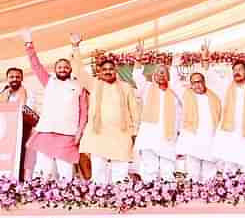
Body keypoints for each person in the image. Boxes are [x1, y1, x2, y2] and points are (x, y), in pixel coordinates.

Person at [71, 35, 139, 185]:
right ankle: (100, 200)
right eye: (105, 69)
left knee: (120, 172)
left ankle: (121, 201)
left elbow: (135, 112)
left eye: (111, 69)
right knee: (98, 171)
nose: (108, 72)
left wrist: (134, 133)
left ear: (116, 70)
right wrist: (75, 47)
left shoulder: (126, 87)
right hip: (98, 133)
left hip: (121, 134)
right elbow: (78, 71)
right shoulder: (94, 85)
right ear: (100, 71)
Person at [21, 29, 88, 181]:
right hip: (46, 131)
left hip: (68, 134)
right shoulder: (49, 81)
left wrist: (80, 132)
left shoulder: (79, 85)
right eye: (60, 67)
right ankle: (40, 198)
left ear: (70, 69)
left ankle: (65, 198)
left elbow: (84, 112)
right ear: (55, 69)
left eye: (66, 67)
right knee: (44, 170)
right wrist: (29, 44)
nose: (63, 69)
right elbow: (36, 65)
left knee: (66, 172)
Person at [132, 48, 181, 182]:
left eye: (164, 73)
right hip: (149, 135)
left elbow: (176, 83)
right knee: (150, 168)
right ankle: (150, 192)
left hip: (168, 135)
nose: (161, 75)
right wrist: (138, 60)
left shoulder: (176, 92)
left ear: (168, 76)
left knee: (168, 168)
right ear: (153, 75)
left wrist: (175, 66)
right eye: (158, 73)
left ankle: (167, 194)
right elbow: (137, 77)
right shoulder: (147, 88)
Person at [175, 71, 222, 181]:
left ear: (204, 82)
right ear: (190, 85)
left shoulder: (214, 97)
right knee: (192, 172)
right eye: (194, 83)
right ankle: (193, 195)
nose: (197, 85)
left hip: (210, 139)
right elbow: (173, 83)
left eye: (199, 82)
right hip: (193, 138)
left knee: (209, 173)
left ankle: (209, 194)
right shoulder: (186, 94)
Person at [212, 61, 245, 172]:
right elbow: (210, 80)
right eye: (235, 70)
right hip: (229, 132)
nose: (237, 72)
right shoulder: (225, 86)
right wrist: (205, 61)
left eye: (240, 70)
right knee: (229, 165)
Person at [1, 67, 37, 181]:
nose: (14, 79)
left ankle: (19, 182)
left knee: (20, 157)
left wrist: (20, 103)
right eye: (12, 77)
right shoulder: (3, 92)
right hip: (5, 133)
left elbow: (28, 110)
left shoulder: (28, 92)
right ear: (7, 78)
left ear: (22, 78)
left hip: (22, 131)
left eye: (17, 77)